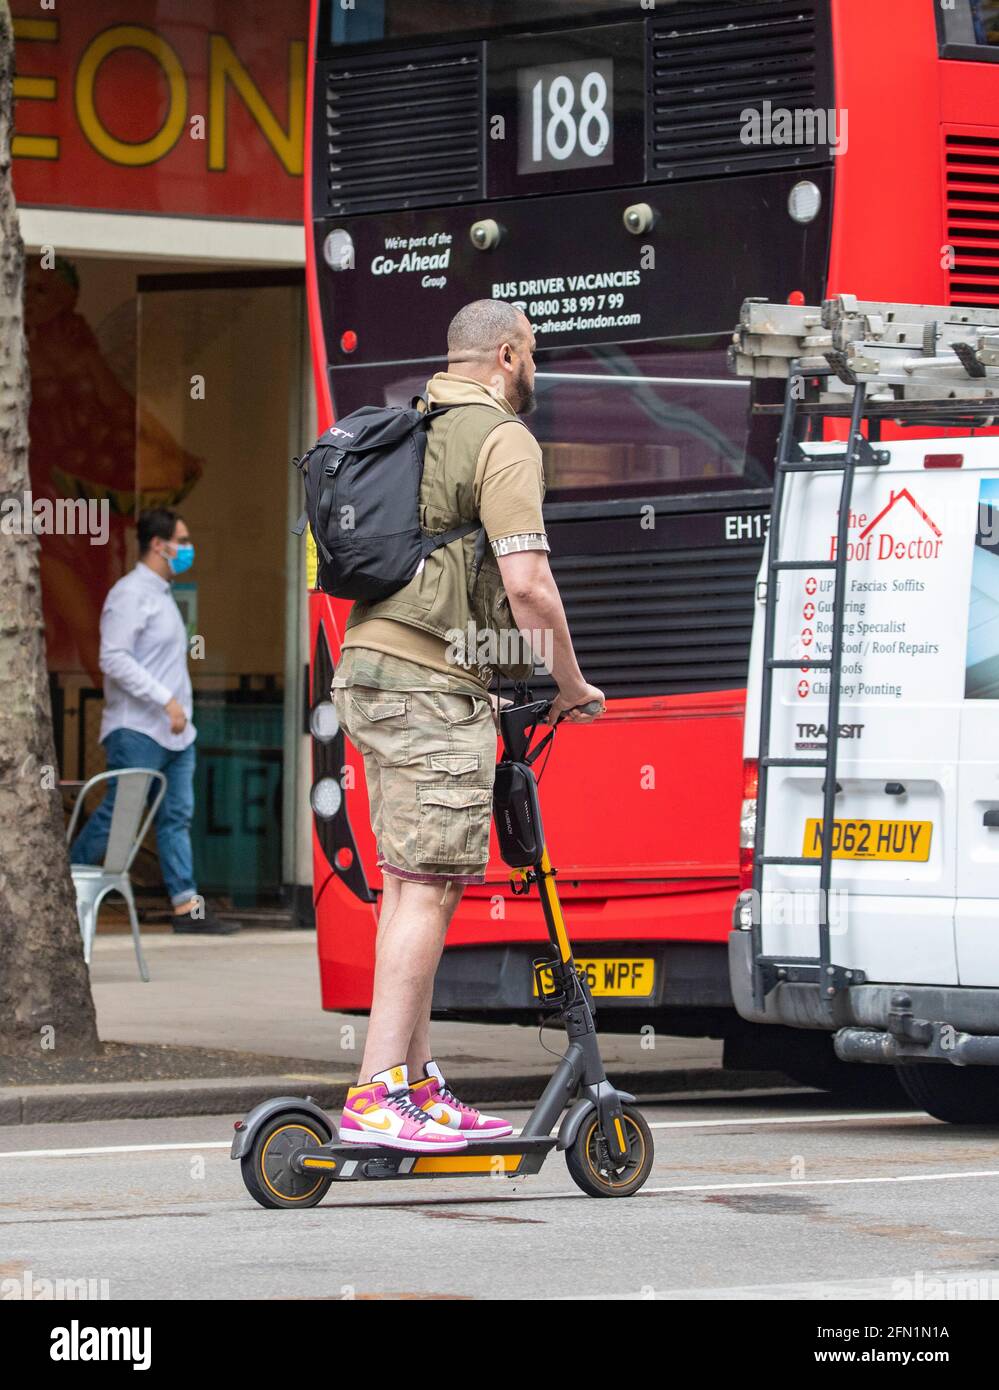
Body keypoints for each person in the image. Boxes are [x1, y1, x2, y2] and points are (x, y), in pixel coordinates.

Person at [331, 300, 603, 1152]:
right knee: (432, 885)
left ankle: (412, 1084)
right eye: (534, 355)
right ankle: (380, 1094)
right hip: (425, 682)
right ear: (510, 353)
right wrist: (569, 682)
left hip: (369, 668)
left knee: (406, 878)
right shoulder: (501, 436)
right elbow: (526, 583)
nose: (535, 370)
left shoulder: (406, 427)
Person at [70, 508, 238, 934]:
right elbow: (113, 657)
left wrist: (178, 710)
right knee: (118, 815)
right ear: (159, 545)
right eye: (181, 541)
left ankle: (188, 910)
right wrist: (166, 701)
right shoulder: (130, 594)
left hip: (177, 735)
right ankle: (65, 886)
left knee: (175, 818)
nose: (187, 548)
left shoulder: (164, 594)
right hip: (139, 729)